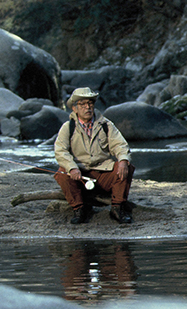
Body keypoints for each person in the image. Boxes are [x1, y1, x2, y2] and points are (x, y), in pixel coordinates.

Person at [54, 87, 134, 224]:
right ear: (74, 108)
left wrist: (123, 160)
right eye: (82, 104)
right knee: (62, 173)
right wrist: (72, 168)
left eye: (90, 103)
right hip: (79, 175)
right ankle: (79, 209)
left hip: (103, 173)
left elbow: (120, 145)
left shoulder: (106, 125)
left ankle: (117, 208)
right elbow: (60, 151)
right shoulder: (68, 127)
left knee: (126, 166)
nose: (87, 107)